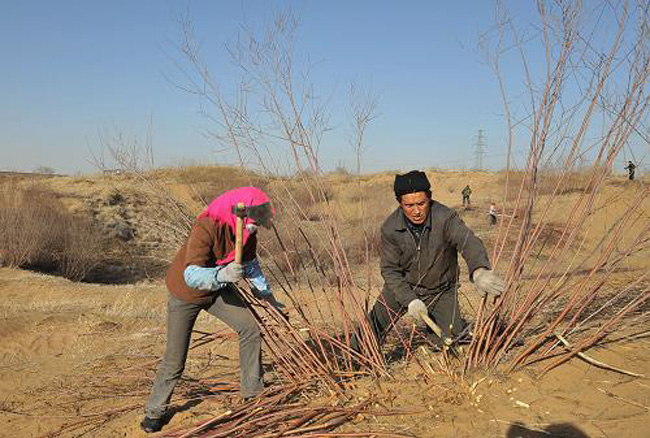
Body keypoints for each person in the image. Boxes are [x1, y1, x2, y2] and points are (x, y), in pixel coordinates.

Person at [140, 187, 284, 433]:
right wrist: (223, 274)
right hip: (186, 293)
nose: (254, 227)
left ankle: (252, 393)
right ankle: (155, 411)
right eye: (251, 221)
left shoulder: (248, 232)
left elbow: (250, 264)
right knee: (175, 359)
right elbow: (192, 275)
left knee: (250, 328)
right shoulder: (206, 227)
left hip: (217, 291)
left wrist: (267, 295)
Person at [364, 170, 504, 349]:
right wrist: (409, 300)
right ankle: (351, 356)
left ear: (429, 198)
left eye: (421, 203)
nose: (416, 211)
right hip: (403, 288)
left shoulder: (445, 218)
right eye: (409, 205)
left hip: (441, 290)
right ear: (400, 203)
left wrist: (479, 271)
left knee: (449, 342)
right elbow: (390, 270)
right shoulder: (390, 228)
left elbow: (469, 242)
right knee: (370, 330)